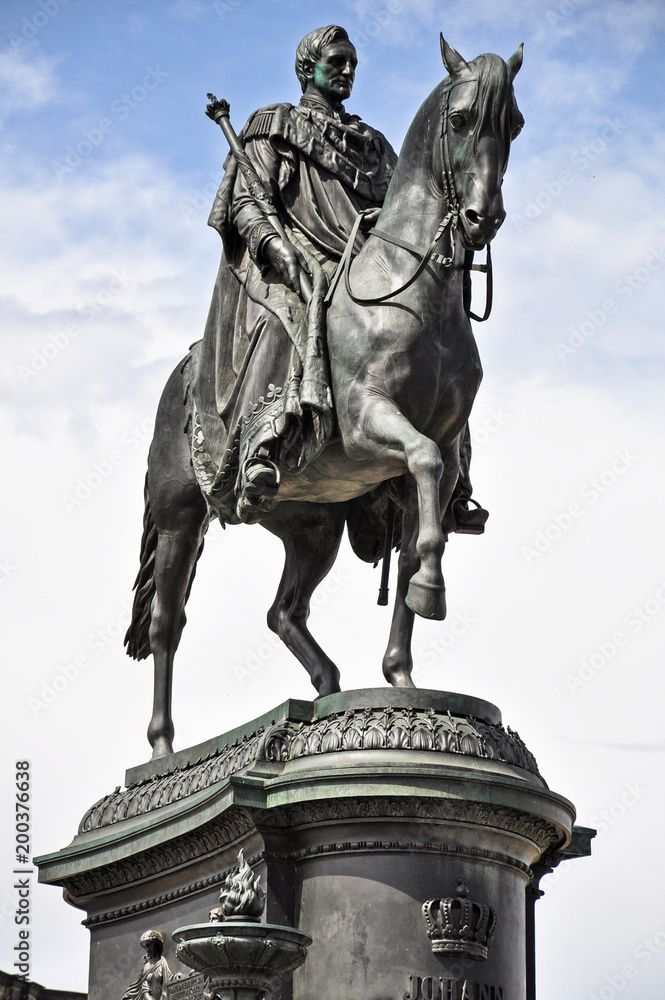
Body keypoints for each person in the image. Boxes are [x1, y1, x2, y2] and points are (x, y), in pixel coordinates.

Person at [194, 24, 486, 532]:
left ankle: (454, 482)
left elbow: (408, 207)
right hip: (300, 256)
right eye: (338, 61)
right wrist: (274, 244)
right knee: (294, 308)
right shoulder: (273, 124)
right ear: (309, 68)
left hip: (365, 264)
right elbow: (247, 200)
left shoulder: (373, 145)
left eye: (353, 62)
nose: (349, 70)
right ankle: (263, 443)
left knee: (439, 336)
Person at [121, 929, 171, 1000]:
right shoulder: (147, 966)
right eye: (145, 947)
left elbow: (166, 983)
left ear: (156, 943)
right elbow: (145, 991)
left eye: (148, 945)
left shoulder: (162, 962)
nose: (147, 949)